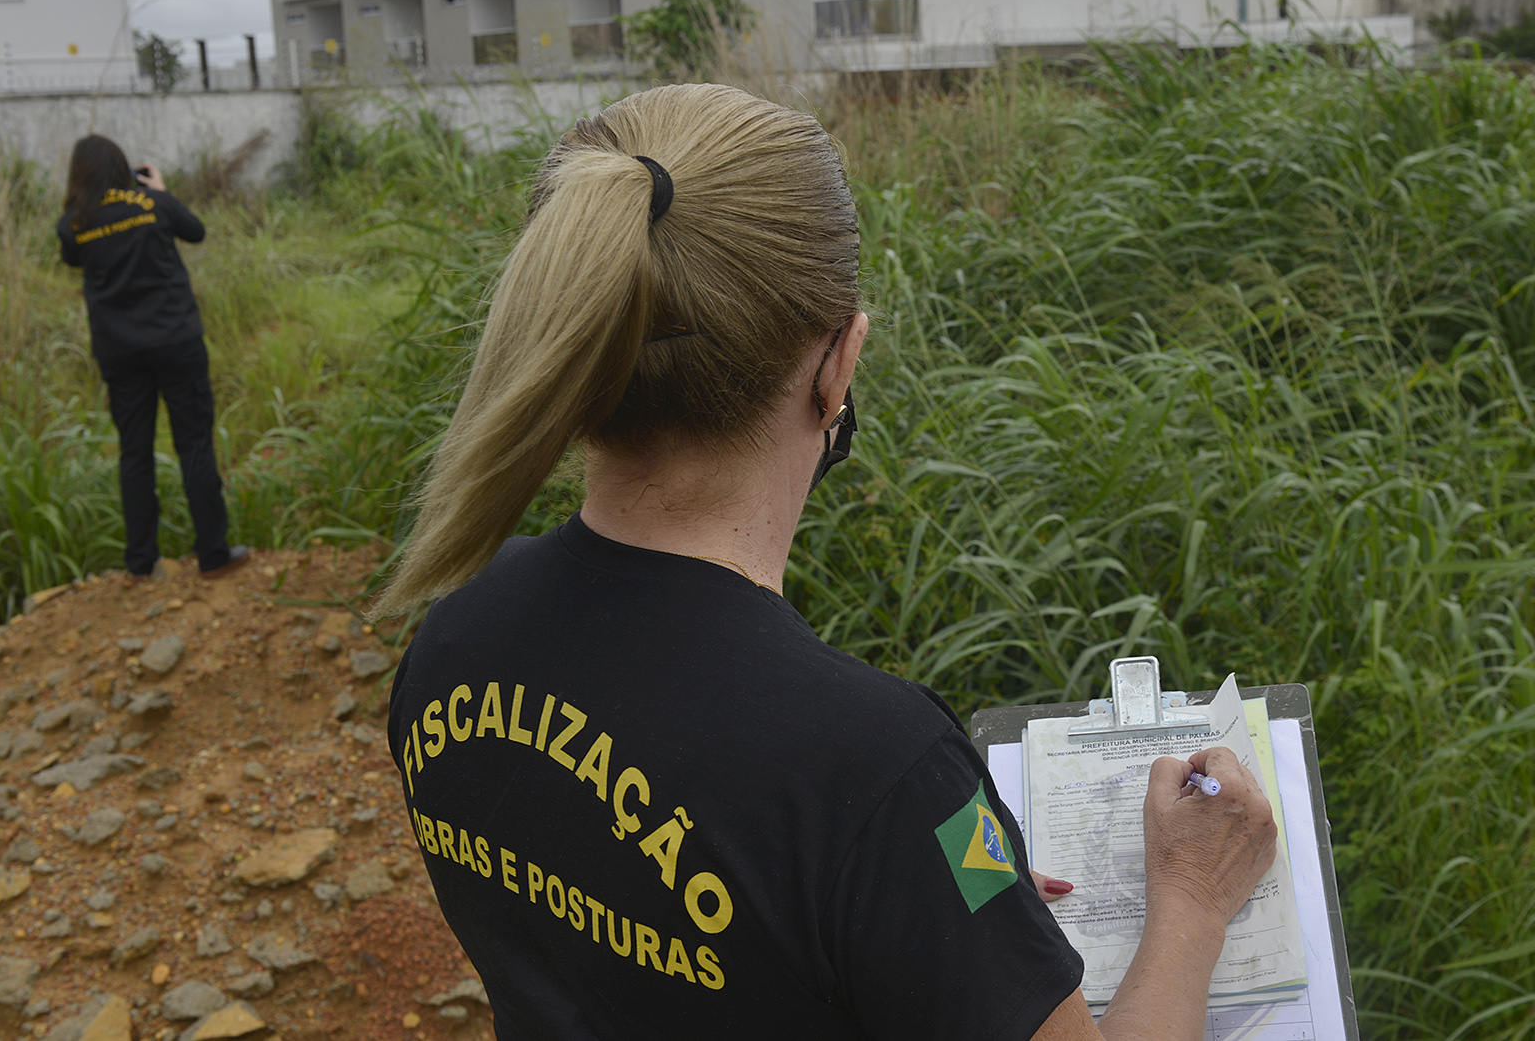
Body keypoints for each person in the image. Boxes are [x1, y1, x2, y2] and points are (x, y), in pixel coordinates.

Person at [377, 83, 1277, 1041]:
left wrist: (931, 910)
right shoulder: (875, 770)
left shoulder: (455, 632)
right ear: (838, 362)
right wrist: (1192, 896)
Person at [56, 134, 248, 583]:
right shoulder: (152, 203)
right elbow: (195, 231)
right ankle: (213, 554)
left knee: (135, 453)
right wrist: (159, 191)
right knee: (194, 443)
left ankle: (141, 562)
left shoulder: (74, 223)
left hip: (120, 352)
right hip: (176, 341)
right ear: (123, 166)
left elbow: (73, 259)